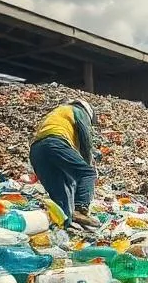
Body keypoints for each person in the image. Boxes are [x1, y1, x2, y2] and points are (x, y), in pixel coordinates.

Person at [29, 98, 99, 228]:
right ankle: (80, 209)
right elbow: (85, 140)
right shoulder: (78, 111)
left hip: (36, 150)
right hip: (55, 143)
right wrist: (88, 162)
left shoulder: (58, 113)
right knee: (88, 173)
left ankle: (62, 226)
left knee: (61, 195)